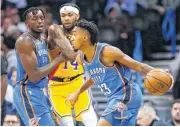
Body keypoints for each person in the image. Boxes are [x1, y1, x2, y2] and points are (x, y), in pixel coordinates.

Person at [66, 19, 174, 126]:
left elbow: (139, 66)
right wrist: (77, 92)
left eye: (74, 34)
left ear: (85, 37)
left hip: (127, 94)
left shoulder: (107, 52)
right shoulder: (81, 58)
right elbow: (95, 77)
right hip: (114, 98)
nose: (71, 37)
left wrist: (160, 73)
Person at [13, 7, 72, 126]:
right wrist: (58, 60)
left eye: (41, 18)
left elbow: (71, 55)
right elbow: (34, 76)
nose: (40, 21)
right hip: (27, 92)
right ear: (27, 23)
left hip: (41, 92)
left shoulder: (43, 40)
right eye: (34, 19)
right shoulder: (24, 41)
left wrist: (57, 33)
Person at [47, 3, 97, 126]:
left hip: (77, 82)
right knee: (67, 124)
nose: (66, 18)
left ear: (77, 16)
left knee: (91, 122)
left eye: (70, 15)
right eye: (63, 15)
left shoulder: (84, 34)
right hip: (57, 86)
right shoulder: (54, 31)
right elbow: (71, 55)